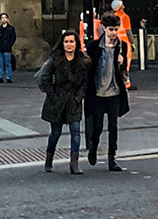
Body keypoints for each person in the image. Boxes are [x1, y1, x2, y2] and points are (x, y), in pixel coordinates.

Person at [36, 29, 90, 173]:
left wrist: (79, 97)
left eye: (71, 41)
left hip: (73, 100)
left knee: (76, 131)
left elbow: (86, 82)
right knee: (55, 133)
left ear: (76, 43)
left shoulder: (83, 61)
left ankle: (74, 163)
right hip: (57, 101)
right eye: (66, 42)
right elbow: (45, 78)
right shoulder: (56, 59)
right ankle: (49, 159)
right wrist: (52, 94)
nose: (69, 44)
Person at [84, 11, 131, 170]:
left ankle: (112, 158)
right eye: (111, 29)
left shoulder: (121, 46)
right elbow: (88, 68)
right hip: (98, 92)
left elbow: (123, 71)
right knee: (97, 126)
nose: (114, 33)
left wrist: (121, 63)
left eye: (116, 29)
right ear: (104, 28)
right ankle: (93, 147)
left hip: (114, 92)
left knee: (113, 126)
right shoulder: (94, 46)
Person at [0, 13, 17, 83]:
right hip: (0, 47)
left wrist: (9, 45)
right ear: (0, 19)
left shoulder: (11, 28)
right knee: (0, 64)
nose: (4, 19)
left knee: (7, 63)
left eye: (5, 17)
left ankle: (8, 77)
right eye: (2, 18)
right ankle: (0, 77)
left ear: (7, 19)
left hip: (7, 48)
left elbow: (13, 38)